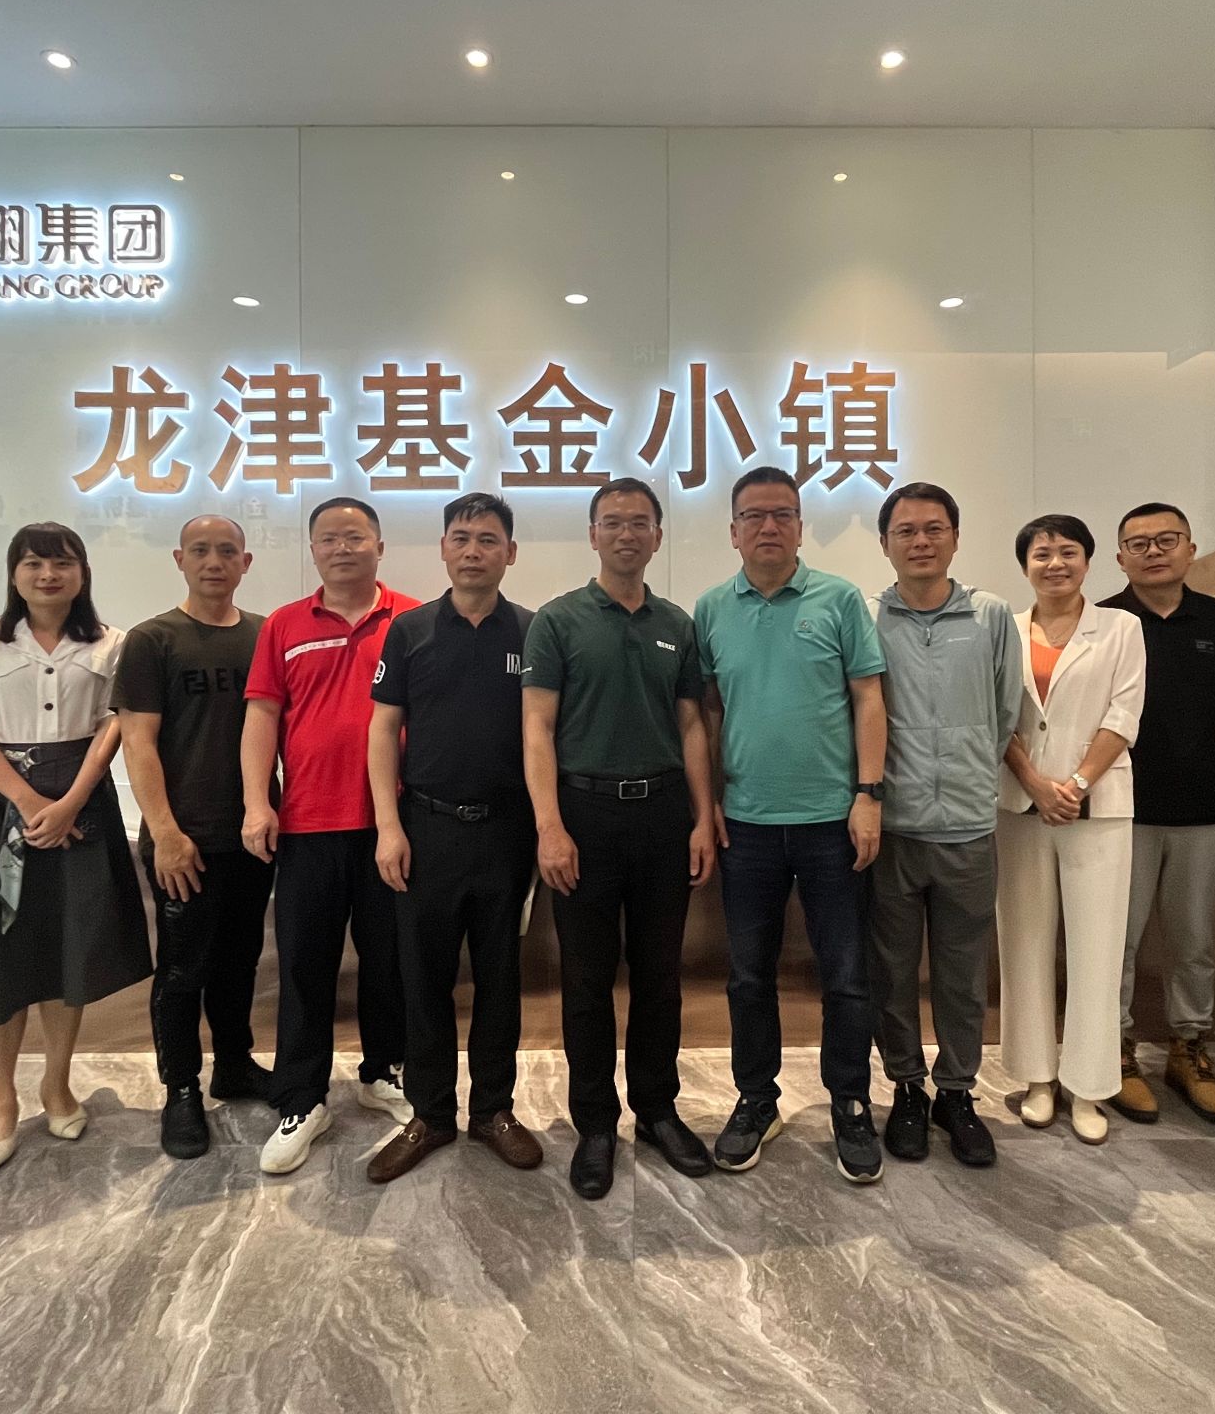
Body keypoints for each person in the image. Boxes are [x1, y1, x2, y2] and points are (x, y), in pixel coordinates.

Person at [0, 522, 151, 1172]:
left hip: (82, 805)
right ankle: (0, 1100)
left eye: (62, 563)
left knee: (67, 949)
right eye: (34, 563)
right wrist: (26, 801)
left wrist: (70, 802)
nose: (48, 575)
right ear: (14, 573)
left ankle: (57, 1084)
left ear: (82, 573)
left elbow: (113, 728)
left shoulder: (112, 644)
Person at [522, 477, 718, 1199]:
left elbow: (692, 725)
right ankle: (596, 1124)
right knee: (586, 979)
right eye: (612, 522)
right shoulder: (558, 621)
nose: (626, 534)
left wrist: (702, 816)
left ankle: (659, 1111)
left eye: (639, 523)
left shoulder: (677, 624)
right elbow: (537, 727)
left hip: (663, 814)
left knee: (661, 976)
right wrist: (549, 826)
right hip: (585, 815)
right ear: (593, 535)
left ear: (657, 536)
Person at [694, 465, 889, 1185]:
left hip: (833, 822)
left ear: (801, 528)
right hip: (746, 825)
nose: (768, 526)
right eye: (754, 515)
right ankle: (757, 1099)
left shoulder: (838, 599)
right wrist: (710, 799)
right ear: (734, 531)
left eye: (782, 514)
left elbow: (868, 698)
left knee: (846, 976)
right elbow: (707, 711)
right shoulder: (712, 608)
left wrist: (868, 794)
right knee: (749, 976)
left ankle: (850, 1103)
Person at [366, 493, 544, 1182]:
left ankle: (493, 1110)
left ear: (510, 553)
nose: (474, 551)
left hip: (506, 831)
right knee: (424, 978)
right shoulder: (409, 631)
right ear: (443, 548)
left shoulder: (531, 631)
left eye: (488, 539)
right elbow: (383, 729)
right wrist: (388, 826)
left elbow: (545, 733)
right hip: (426, 829)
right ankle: (431, 1115)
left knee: (500, 978)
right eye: (462, 538)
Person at [243, 497, 420, 1176]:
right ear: (313, 550)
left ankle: (383, 1072)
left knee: (390, 961)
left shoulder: (412, 619)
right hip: (307, 825)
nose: (341, 548)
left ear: (379, 545)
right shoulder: (284, 625)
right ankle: (301, 1098)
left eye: (354, 536)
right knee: (304, 967)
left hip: (391, 825)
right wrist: (257, 802)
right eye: (328, 539)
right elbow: (262, 717)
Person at [865, 481, 1023, 1169]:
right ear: (885, 544)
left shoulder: (989, 616)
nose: (921, 541)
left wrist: (968, 772)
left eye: (934, 528)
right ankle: (906, 1087)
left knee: (962, 975)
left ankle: (957, 1093)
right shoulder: (868, 617)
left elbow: (1006, 711)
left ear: (956, 538)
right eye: (905, 531)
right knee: (892, 972)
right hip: (892, 829)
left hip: (966, 828)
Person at [113, 515, 276, 1161]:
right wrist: (165, 834)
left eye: (227, 551)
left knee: (240, 961)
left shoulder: (264, 635)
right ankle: (180, 1089)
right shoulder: (153, 640)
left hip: (252, 834)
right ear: (180, 559)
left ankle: (234, 1064)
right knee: (183, 970)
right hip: (185, 839)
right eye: (201, 551)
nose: (215, 561)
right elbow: (138, 742)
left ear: (246, 562)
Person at [997, 514, 1145, 1147]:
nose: (1054, 563)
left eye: (1067, 552)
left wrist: (1077, 784)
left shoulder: (1122, 627)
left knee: (1098, 948)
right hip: (1019, 804)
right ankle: (1037, 1077)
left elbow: (1124, 712)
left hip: (1099, 805)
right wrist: (1035, 782)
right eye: (1041, 553)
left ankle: (1088, 1086)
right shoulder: (1003, 628)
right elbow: (997, 715)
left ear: (1089, 560)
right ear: (1024, 564)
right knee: (1023, 941)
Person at [1098, 503, 1215, 1126]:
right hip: (1119, 810)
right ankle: (1115, 1050)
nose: (1153, 552)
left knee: (1193, 941)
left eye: (1166, 540)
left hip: (1202, 806)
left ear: (1190, 548)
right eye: (1139, 543)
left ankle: (1189, 1049)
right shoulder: (1104, 620)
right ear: (1120, 557)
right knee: (1117, 941)